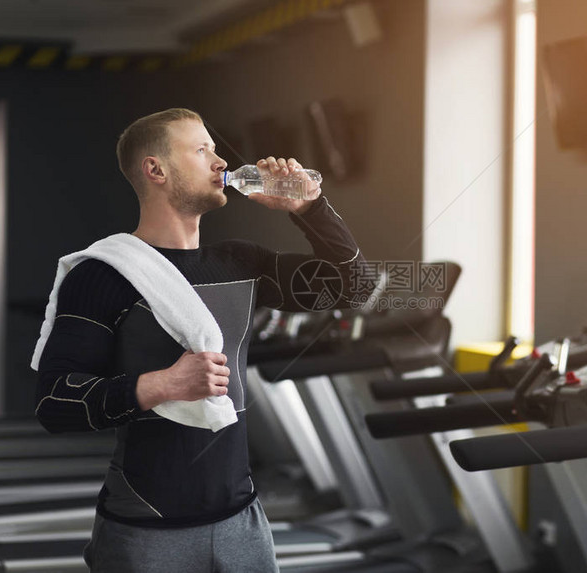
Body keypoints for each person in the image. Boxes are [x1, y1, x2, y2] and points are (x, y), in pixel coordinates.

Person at [34, 108, 372, 572]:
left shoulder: (240, 262)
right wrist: (164, 385)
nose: (220, 162)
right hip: (144, 528)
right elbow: (55, 402)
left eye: (215, 149)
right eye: (201, 149)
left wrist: (309, 208)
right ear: (156, 169)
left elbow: (355, 287)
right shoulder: (101, 276)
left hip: (243, 520)